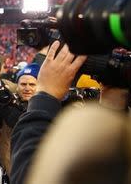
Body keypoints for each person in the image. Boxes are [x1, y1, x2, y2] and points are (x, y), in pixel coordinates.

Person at [10, 41, 87, 184]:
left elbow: (30, 173)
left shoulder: (63, 108)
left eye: (32, 84)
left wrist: (45, 95)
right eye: (23, 84)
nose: (27, 88)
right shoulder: (8, 104)